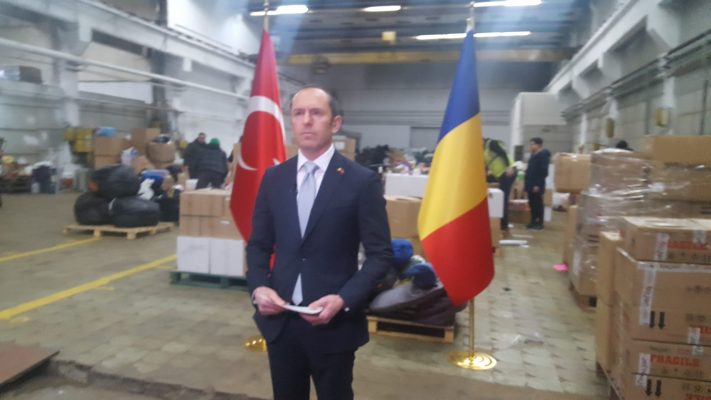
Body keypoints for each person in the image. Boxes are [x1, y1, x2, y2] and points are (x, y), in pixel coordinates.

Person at [247, 86, 392, 400]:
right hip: (281, 321)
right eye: (299, 113)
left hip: (334, 323)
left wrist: (343, 299)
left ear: (335, 123)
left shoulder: (360, 181)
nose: (307, 121)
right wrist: (259, 288)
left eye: (316, 113)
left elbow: (380, 255)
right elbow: (258, 244)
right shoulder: (274, 178)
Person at [483, 138, 515, 235]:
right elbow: (486, 165)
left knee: (503, 199)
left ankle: (504, 225)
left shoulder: (491, 143)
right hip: (500, 175)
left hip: (507, 172)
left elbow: (502, 153)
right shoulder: (484, 150)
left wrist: (508, 167)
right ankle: (501, 224)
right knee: (502, 198)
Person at [524, 137, 550, 230]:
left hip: (536, 184)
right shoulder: (533, 155)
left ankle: (539, 222)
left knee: (538, 203)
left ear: (538, 145)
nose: (531, 146)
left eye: (532, 144)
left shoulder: (543, 155)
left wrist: (537, 184)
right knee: (532, 203)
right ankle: (533, 221)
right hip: (530, 183)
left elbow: (544, 172)